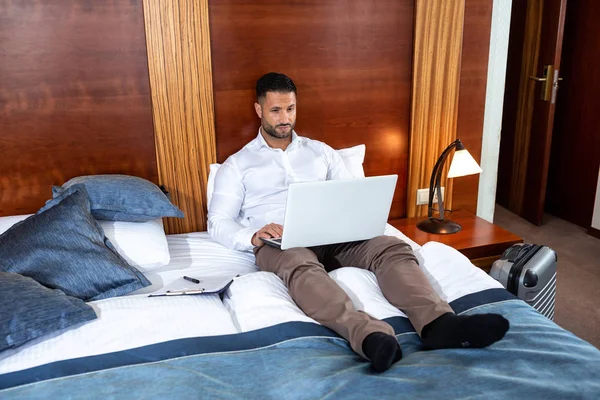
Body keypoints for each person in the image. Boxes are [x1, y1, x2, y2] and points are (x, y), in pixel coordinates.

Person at [208, 72, 509, 372]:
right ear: (259, 109)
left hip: (334, 234)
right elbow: (218, 221)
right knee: (301, 267)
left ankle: (439, 323)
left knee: (391, 247)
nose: (285, 118)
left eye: (290, 109)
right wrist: (254, 235)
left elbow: (353, 196)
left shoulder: (322, 152)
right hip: (282, 243)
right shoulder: (238, 165)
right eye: (276, 110)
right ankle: (368, 335)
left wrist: (351, 219)